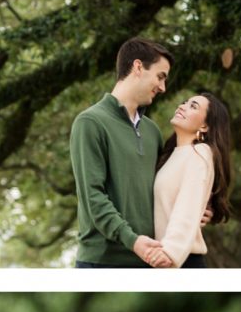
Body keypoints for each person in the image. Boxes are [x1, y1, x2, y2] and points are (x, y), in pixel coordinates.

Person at [69, 37, 175, 268]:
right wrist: (132, 240)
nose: (163, 87)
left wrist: (199, 210)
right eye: (160, 76)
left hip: (149, 260)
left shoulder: (152, 130)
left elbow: (164, 188)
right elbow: (93, 197)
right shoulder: (90, 122)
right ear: (138, 67)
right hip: (103, 264)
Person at [148, 91, 232, 269]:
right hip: (161, 257)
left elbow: (187, 207)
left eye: (193, 106)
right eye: (184, 103)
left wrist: (170, 252)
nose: (182, 107)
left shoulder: (200, 153)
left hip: (178, 259)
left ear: (204, 126)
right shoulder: (171, 155)